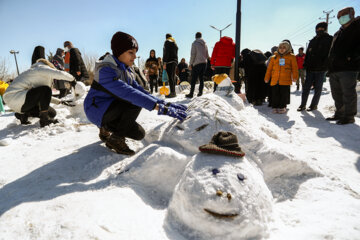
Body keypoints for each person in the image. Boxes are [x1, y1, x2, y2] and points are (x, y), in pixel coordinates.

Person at [84, 31, 187, 155]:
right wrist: (160, 108)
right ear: (118, 52)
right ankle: (116, 139)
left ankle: (106, 128)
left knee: (139, 134)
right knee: (134, 101)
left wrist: (164, 103)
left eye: (135, 53)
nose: (134, 57)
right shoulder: (106, 70)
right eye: (130, 52)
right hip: (96, 109)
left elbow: (140, 90)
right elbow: (129, 93)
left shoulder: (126, 70)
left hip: (111, 108)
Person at [3, 59, 75, 127]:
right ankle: (44, 120)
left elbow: (41, 96)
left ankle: (23, 115)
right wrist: (72, 79)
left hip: (17, 101)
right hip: (16, 96)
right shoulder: (40, 69)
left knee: (52, 113)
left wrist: (60, 101)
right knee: (46, 89)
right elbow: (58, 73)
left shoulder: (34, 74)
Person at [326, 7, 360, 124]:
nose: (341, 18)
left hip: (348, 67)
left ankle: (349, 116)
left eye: (344, 15)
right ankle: (339, 113)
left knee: (348, 93)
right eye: (339, 16)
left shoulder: (357, 27)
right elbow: (332, 50)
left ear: (352, 14)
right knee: (337, 93)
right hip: (335, 68)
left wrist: (351, 57)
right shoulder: (338, 32)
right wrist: (329, 65)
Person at [297, 22, 333, 112]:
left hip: (321, 69)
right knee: (306, 88)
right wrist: (305, 64)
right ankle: (302, 105)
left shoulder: (329, 39)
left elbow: (330, 54)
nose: (319, 30)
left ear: (325, 29)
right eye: (317, 29)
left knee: (318, 88)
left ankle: (314, 105)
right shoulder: (312, 41)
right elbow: (308, 54)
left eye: (321, 29)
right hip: (310, 68)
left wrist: (325, 65)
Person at [264, 41, 299, 114]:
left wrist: (295, 77)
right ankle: (275, 107)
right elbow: (269, 69)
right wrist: (267, 77)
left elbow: (294, 68)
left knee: (283, 94)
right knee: (275, 94)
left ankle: (282, 107)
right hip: (275, 79)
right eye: (280, 47)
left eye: (284, 48)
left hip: (285, 79)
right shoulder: (274, 57)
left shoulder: (291, 56)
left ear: (288, 48)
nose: (282, 49)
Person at [186, 32, 209, 98]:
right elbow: (207, 55)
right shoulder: (205, 44)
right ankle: (200, 92)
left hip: (197, 63)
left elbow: (193, 54)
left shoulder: (194, 43)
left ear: (195, 37)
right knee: (201, 78)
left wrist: (190, 64)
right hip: (204, 63)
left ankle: (191, 94)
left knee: (194, 79)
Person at [163, 33, 178, 98]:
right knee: (173, 77)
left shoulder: (167, 42)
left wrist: (164, 62)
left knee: (170, 78)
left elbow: (166, 53)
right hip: (174, 61)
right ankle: (173, 92)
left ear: (166, 38)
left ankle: (172, 93)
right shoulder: (174, 43)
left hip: (169, 62)